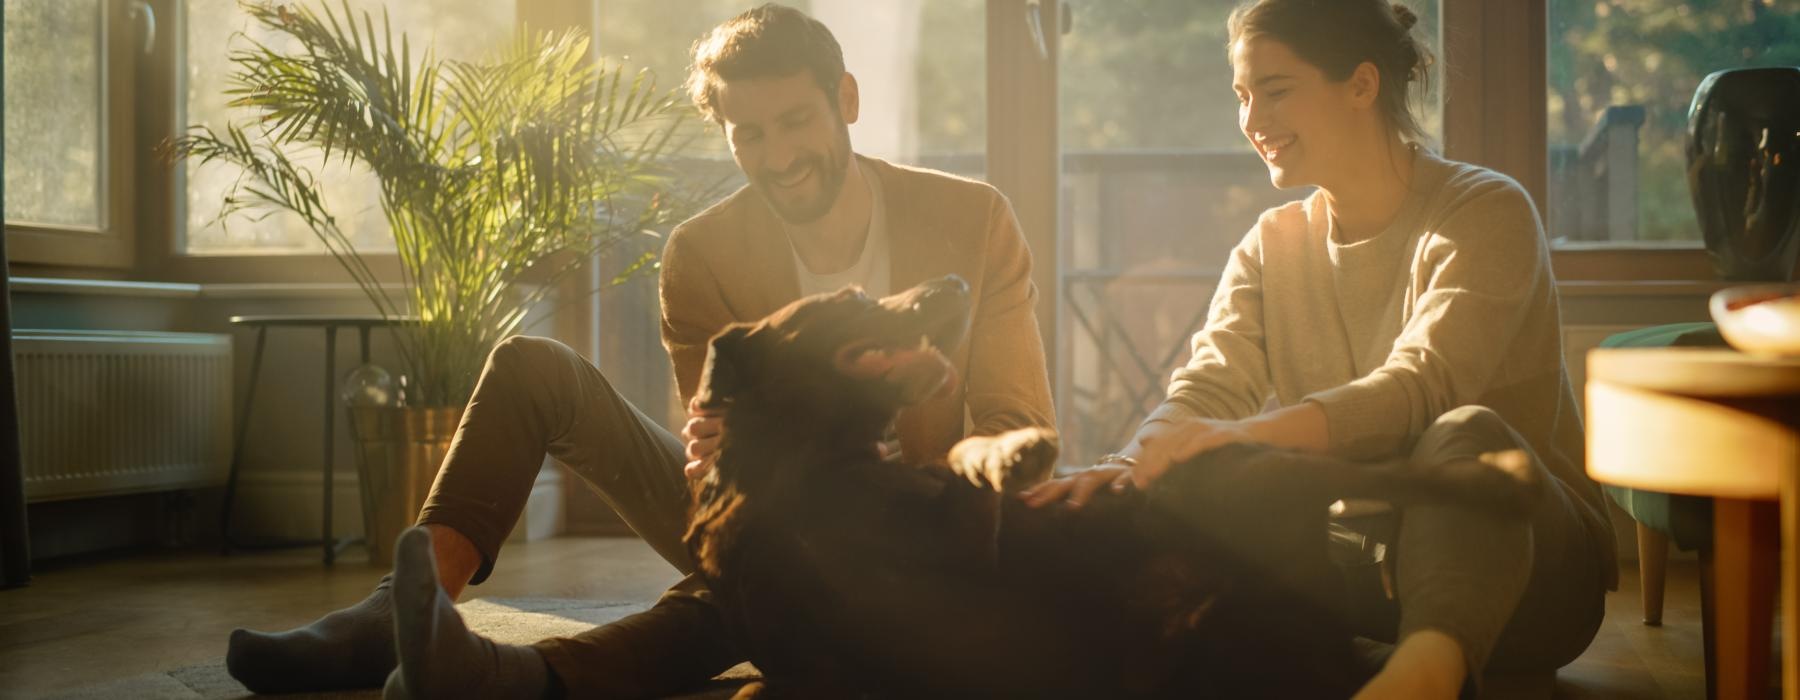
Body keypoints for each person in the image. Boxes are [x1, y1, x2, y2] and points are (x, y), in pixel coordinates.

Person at [223, 4, 1055, 697]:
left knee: (730, 598)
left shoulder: (970, 220)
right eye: (748, 133)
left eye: (796, 120)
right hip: (772, 514)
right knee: (532, 367)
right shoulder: (704, 252)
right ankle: (397, 615)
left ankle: (510, 681)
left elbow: (1019, 423)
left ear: (845, 98)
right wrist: (722, 460)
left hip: (922, 534)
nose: (777, 156)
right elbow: (724, 468)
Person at [1021, 1, 1616, 698]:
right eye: (1242, 96)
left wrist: (1239, 440)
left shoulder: (1484, 211)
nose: (1253, 120)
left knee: (1465, 434)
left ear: (1362, 85)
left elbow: (1421, 387)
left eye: (1275, 91)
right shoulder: (1270, 245)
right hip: (1369, 572)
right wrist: (1137, 462)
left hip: (1531, 573)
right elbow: (1206, 389)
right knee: (1146, 498)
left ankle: (1426, 675)